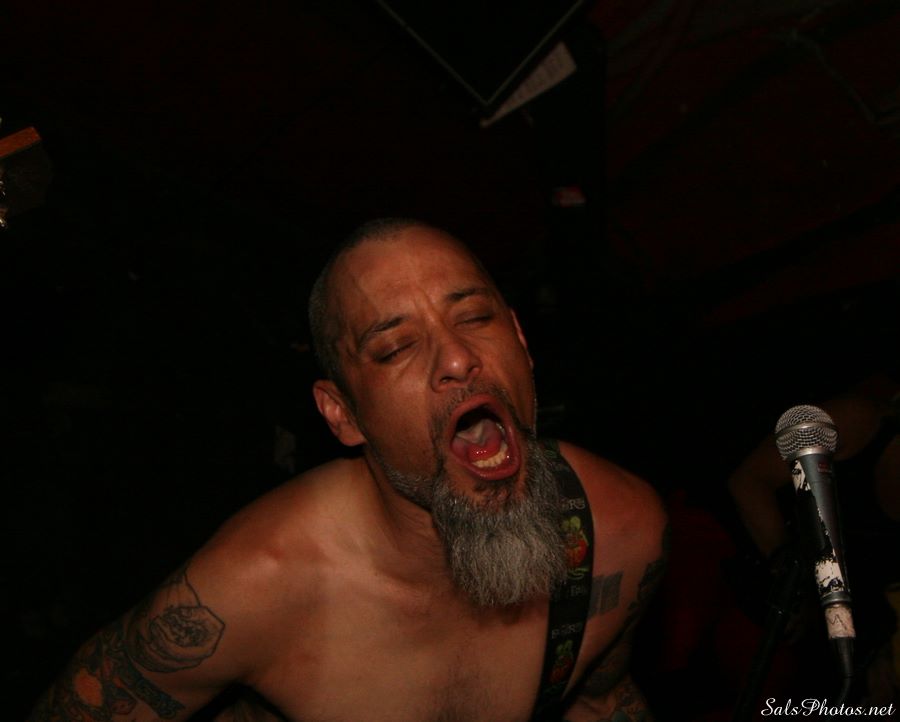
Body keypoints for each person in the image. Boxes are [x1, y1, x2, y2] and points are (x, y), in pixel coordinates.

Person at [28, 218, 668, 722]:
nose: (456, 357)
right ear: (343, 415)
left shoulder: (623, 532)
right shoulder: (254, 588)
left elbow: (599, 701)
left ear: (522, 342)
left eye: (475, 317)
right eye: (395, 346)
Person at [727, 374, 900, 705]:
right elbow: (749, 482)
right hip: (764, 596)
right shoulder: (856, 420)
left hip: (848, 627)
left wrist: (880, 648)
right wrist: (797, 582)